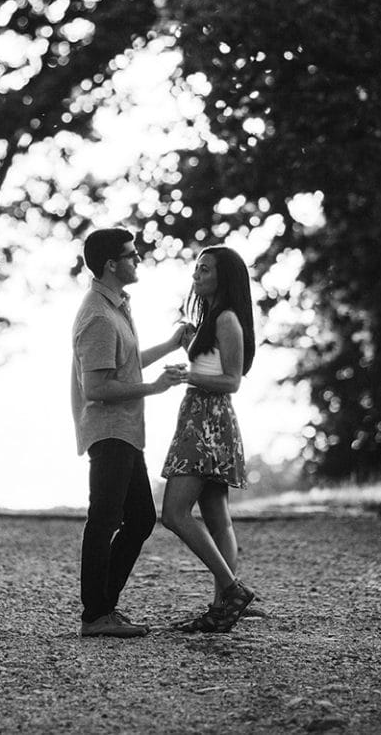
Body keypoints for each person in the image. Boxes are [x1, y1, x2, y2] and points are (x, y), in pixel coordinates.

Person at [72, 227, 187, 639]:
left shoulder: (116, 307)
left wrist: (172, 345)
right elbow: (98, 388)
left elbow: (127, 362)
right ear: (111, 264)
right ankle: (95, 615)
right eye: (132, 255)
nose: (138, 260)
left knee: (139, 518)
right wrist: (155, 388)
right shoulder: (99, 316)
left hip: (126, 432)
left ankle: (104, 608)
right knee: (104, 519)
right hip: (109, 431)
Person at [160, 244, 258, 633]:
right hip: (200, 418)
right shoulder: (211, 319)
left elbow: (232, 380)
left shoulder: (228, 319)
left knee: (174, 514)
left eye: (205, 269)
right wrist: (190, 348)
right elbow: (215, 365)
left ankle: (232, 591)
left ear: (224, 277)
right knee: (218, 518)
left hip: (208, 422)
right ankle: (222, 609)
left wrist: (188, 375)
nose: (196, 275)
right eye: (196, 269)